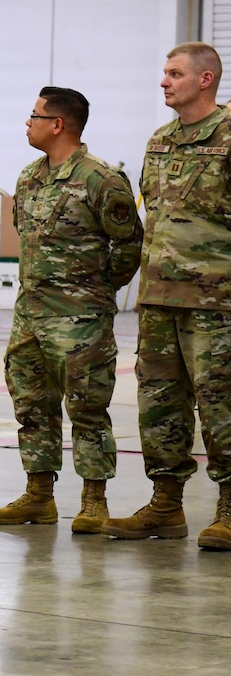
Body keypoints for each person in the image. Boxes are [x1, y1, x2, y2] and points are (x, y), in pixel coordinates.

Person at [0, 88, 139, 529]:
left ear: (57, 124)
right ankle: (39, 495)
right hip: (31, 315)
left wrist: (98, 290)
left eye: (33, 116)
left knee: (88, 408)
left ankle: (94, 500)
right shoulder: (28, 178)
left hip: (81, 317)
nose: (27, 123)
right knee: (31, 406)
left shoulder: (101, 179)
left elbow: (129, 245)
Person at [111, 43, 231, 548]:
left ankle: (228, 505)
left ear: (205, 80)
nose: (164, 81)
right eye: (163, 73)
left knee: (221, 404)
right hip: (159, 297)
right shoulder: (159, 140)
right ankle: (166, 504)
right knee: (159, 403)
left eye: (174, 73)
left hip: (216, 301)